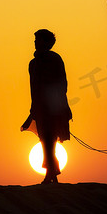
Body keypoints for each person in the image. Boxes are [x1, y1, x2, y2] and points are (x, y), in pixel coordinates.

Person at [21, 29, 72, 184]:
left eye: (39, 39)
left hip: (53, 107)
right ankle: (52, 174)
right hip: (39, 107)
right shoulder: (33, 63)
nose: (36, 42)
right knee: (45, 140)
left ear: (47, 42)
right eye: (35, 39)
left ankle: (50, 174)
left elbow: (62, 83)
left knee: (49, 140)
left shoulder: (54, 59)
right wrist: (34, 108)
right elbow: (33, 88)